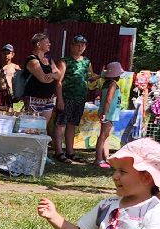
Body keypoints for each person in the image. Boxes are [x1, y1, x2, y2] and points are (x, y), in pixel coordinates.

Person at [55, 34, 94, 162]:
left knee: (72, 124)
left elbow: (90, 77)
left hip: (80, 97)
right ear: (71, 46)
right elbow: (59, 81)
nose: (80, 48)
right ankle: (59, 151)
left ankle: (70, 152)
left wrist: (103, 75)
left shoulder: (87, 61)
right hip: (67, 96)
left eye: (82, 45)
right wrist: (60, 99)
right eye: (77, 45)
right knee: (61, 124)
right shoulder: (64, 61)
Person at [22, 33, 62, 147]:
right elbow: (43, 79)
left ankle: (40, 150)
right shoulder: (32, 60)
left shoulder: (48, 59)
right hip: (34, 98)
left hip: (48, 98)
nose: (50, 44)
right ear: (39, 44)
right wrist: (51, 75)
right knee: (32, 127)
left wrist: (52, 75)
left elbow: (59, 75)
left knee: (43, 126)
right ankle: (28, 149)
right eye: (47, 42)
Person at [93, 62, 126, 168]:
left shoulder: (106, 84)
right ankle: (98, 159)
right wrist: (105, 113)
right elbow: (108, 99)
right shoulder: (112, 84)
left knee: (106, 135)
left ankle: (105, 157)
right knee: (103, 136)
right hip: (109, 113)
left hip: (110, 113)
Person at [0, 44, 20, 110]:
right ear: (1, 54)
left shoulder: (15, 67)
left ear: (12, 55)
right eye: (4, 53)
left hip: (8, 94)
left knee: (8, 112)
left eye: (8, 53)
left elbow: (20, 81)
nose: (6, 55)